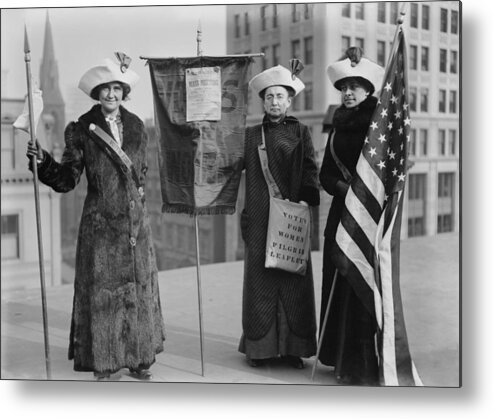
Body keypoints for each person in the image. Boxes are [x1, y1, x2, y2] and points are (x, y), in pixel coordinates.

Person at [27, 54, 165, 381]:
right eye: (105, 88)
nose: (111, 95)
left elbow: (140, 171)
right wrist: (43, 160)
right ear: (96, 92)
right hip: (101, 225)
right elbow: (67, 178)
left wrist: (139, 198)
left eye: (117, 88)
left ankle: (139, 357)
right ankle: (105, 361)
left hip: (135, 224)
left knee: (138, 291)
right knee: (104, 296)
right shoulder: (80, 130)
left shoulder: (137, 126)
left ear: (124, 92)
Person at [238, 65, 320, 369]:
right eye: (269, 97)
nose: (274, 102)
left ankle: (292, 349)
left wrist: (304, 200)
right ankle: (259, 349)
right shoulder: (250, 136)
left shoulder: (301, 132)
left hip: (291, 218)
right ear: (263, 102)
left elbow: (311, 169)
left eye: (280, 97)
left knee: (292, 282)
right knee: (260, 281)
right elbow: (230, 168)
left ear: (289, 101)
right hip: (259, 218)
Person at [318, 47, 384, 385]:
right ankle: (337, 359)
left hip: (367, 219)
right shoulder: (337, 126)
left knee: (358, 288)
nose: (348, 93)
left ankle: (359, 362)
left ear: (368, 91)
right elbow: (325, 175)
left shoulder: (377, 128)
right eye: (344, 87)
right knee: (337, 280)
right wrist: (344, 190)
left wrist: (362, 196)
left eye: (355, 87)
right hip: (340, 214)